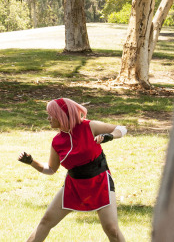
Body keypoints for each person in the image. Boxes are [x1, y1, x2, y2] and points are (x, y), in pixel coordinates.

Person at [18, 98, 127, 242]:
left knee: (112, 229)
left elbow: (122, 128)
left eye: (51, 114)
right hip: (74, 185)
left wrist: (110, 136)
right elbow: (50, 169)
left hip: (99, 182)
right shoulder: (57, 141)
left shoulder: (88, 126)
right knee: (46, 221)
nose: (48, 118)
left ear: (61, 115)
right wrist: (31, 162)